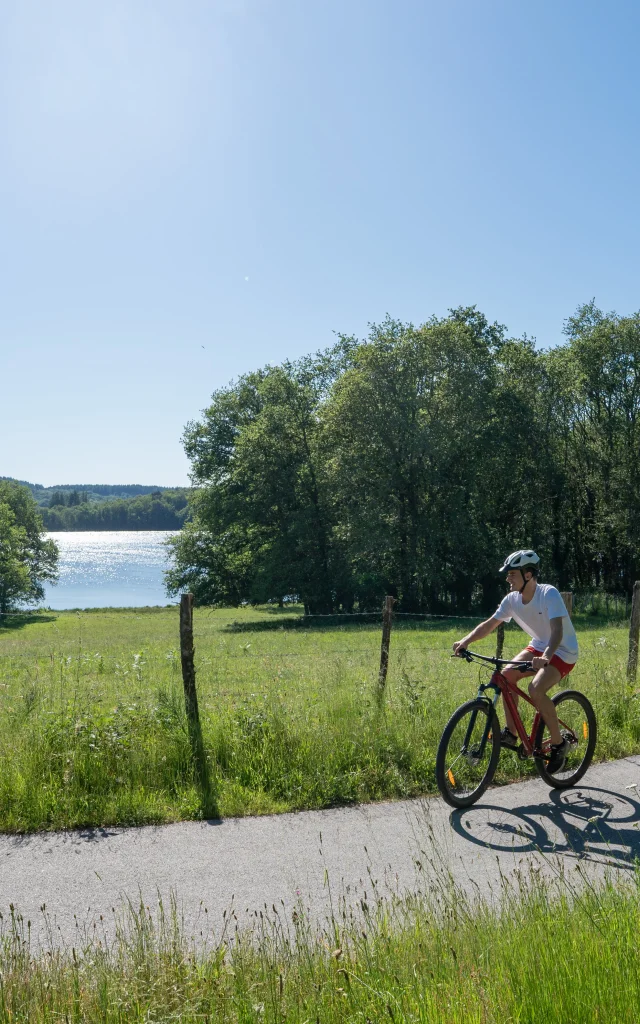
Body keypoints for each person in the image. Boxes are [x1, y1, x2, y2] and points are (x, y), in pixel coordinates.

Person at [452, 550, 579, 774]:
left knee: (536, 689)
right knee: (506, 677)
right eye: (508, 574)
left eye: (512, 574)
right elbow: (489, 624)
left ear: (528, 574)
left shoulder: (548, 594)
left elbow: (557, 631)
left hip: (562, 650)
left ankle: (559, 744)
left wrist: (546, 658)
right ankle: (511, 733)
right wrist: (465, 641)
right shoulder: (512, 600)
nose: (507, 578)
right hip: (539, 646)